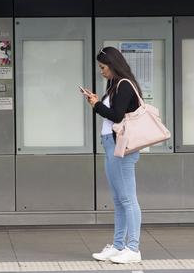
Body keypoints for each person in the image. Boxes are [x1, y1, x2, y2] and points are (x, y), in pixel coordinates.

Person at [82, 47, 143, 264]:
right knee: (119, 200)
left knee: (128, 199)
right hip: (110, 144)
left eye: (103, 67)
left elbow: (117, 116)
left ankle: (133, 248)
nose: (101, 71)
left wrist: (96, 105)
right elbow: (114, 113)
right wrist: (98, 101)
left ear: (113, 64)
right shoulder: (113, 85)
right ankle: (118, 246)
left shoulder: (124, 85)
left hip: (123, 148)